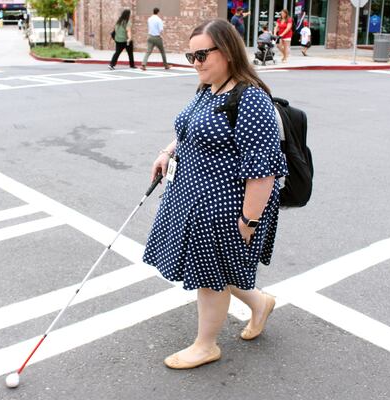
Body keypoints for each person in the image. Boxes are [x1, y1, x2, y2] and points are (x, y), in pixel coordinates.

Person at [143, 18, 288, 370]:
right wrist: (167, 152)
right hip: (193, 199)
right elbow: (191, 129)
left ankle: (206, 345)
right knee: (213, 269)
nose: (196, 63)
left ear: (227, 51)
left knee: (211, 277)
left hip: (226, 207)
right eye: (190, 56)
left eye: (202, 55)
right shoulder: (209, 88)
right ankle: (259, 303)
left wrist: (248, 221)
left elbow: (263, 172)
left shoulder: (250, 100)